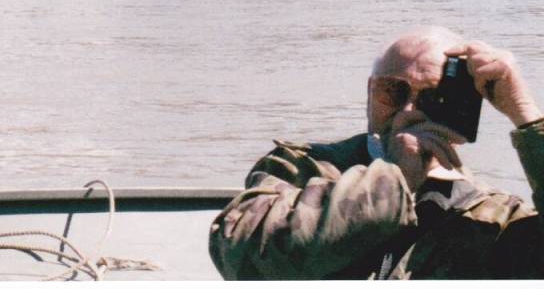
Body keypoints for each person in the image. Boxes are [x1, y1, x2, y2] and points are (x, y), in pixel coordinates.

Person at [209, 26, 544, 279]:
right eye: (392, 92)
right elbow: (242, 256)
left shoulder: (492, 217)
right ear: (369, 94)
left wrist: (527, 116)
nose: (407, 111)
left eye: (431, 99)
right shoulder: (303, 167)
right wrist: (396, 177)